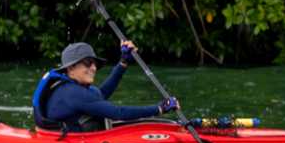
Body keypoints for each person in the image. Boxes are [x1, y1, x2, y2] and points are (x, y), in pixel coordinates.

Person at [31, 41, 178, 132]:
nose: (94, 68)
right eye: (88, 63)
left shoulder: (71, 88)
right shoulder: (73, 93)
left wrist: (123, 63)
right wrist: (159, 108)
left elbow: (100, 94)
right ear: (70, 68)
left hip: (73, 135)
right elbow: (118, 112)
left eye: (95, 63)